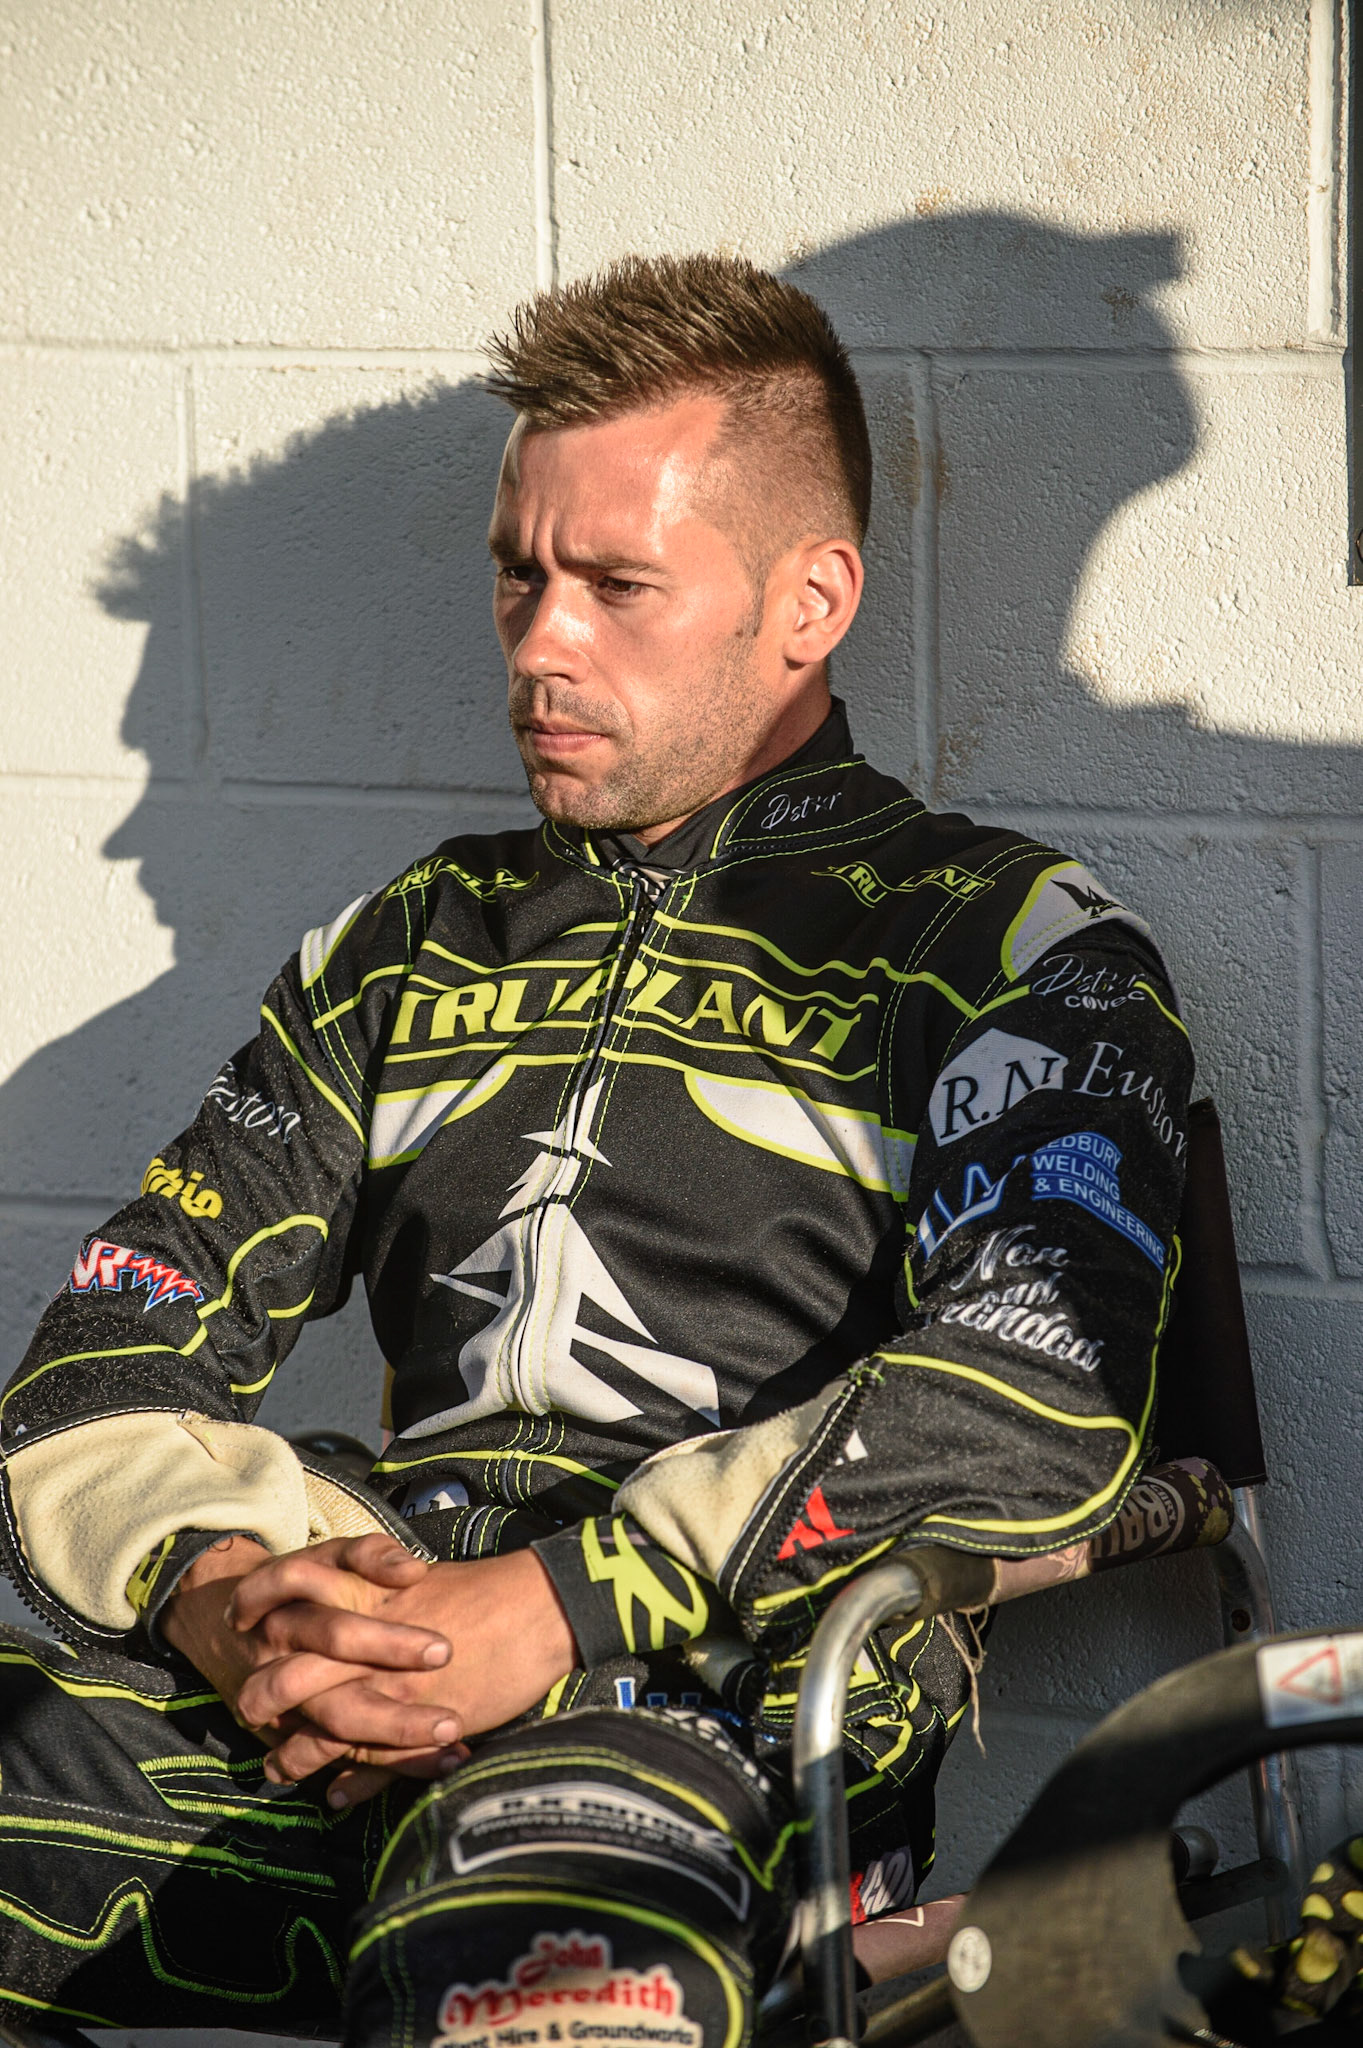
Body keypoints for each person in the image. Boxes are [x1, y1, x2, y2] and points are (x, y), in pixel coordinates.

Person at [0, 253, 1192, 2048]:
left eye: (617, 585)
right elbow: (98, 1372)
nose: (542, 642)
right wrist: (237, 1597)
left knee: (540, 1966)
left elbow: (1036, 1395)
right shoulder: (408, 945)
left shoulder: (1002, 940)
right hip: (343, 1662)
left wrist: (556, 1609)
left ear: (811, 601)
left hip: (712, 1712)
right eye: (517, 577)